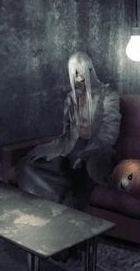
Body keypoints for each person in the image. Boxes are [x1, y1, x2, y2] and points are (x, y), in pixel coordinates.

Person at [17, 51, 121, 210]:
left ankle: (64, 199)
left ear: (90, 69)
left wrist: (88, 153)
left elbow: (110, 132)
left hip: (96, 151)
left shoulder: (108, 95)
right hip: (71, 148)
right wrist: (50, 149)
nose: (78, 76)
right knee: (26, 164)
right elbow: (66, 132)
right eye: (74, 73)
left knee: (79, 177)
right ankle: (57, 197)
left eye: (80, 71)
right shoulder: (71, 97)